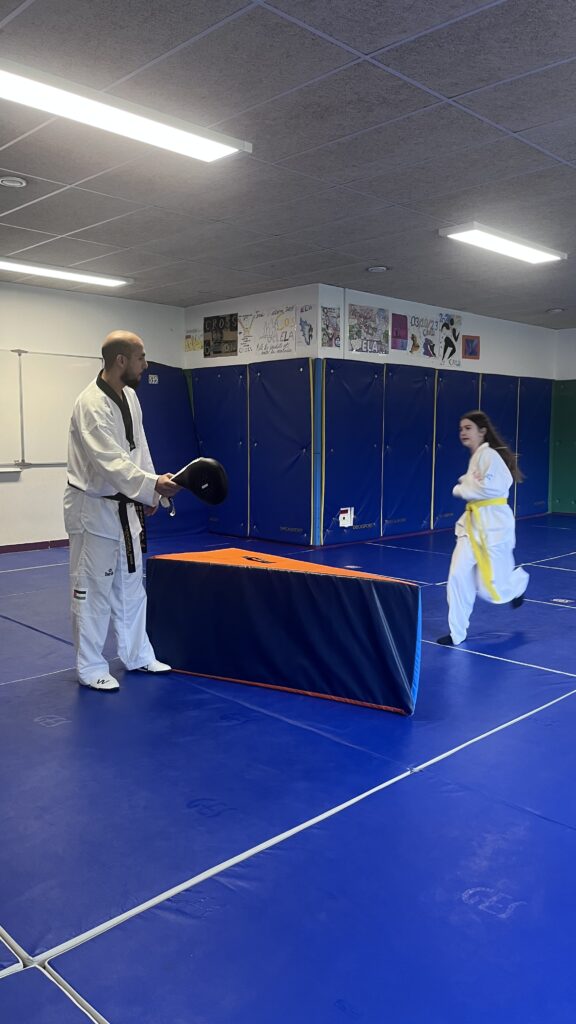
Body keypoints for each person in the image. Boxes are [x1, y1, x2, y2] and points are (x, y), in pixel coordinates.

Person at [64, 330, 180, 691]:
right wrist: (151, 484)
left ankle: (138, 654)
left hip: (125, 509)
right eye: (141, 358)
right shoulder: (91, 405)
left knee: (131, 586)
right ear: (121, 360)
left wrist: (151, 494)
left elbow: (138, 448)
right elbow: (110, 463)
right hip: (93, 509)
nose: (145, 365)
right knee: (93, 589)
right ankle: (90, 667)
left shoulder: (130, 396)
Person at [437, 410, 529, 646]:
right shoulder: (477, 457)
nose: (463, 432)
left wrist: (462, 487)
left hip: (494, 526)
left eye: (468, 428)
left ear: (482, 431)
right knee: (457, 575)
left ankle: (518, 583)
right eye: (461, 429)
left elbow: (494, 487)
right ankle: (457, 633)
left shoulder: (490, 456)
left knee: (490, 590)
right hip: (471, 525)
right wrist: (467, 484)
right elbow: (478, 487)